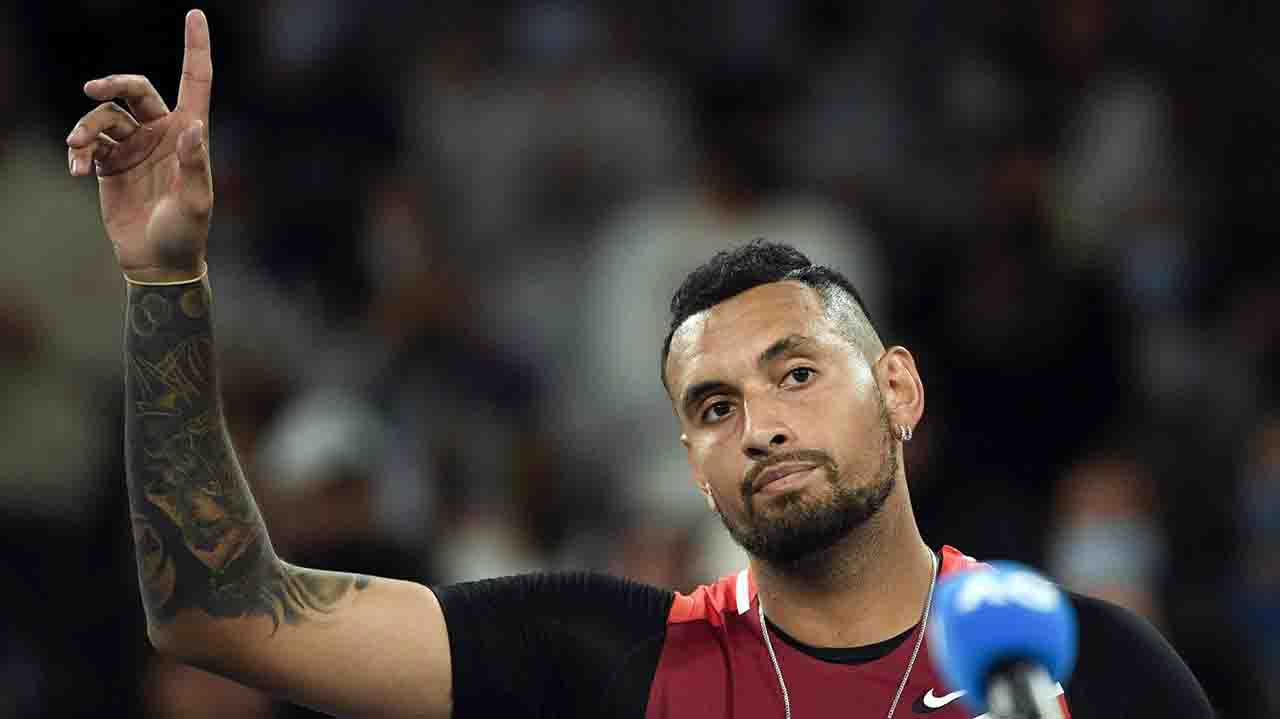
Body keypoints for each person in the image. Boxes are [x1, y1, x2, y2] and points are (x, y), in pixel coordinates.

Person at [67, 10, 1213, 719]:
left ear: (899, 389)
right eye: (713, 405)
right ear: (690, 463)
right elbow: (218, 609)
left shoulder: (1082, 665)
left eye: (796, 372)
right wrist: (165, 283)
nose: (758, 422)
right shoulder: (605, 659)